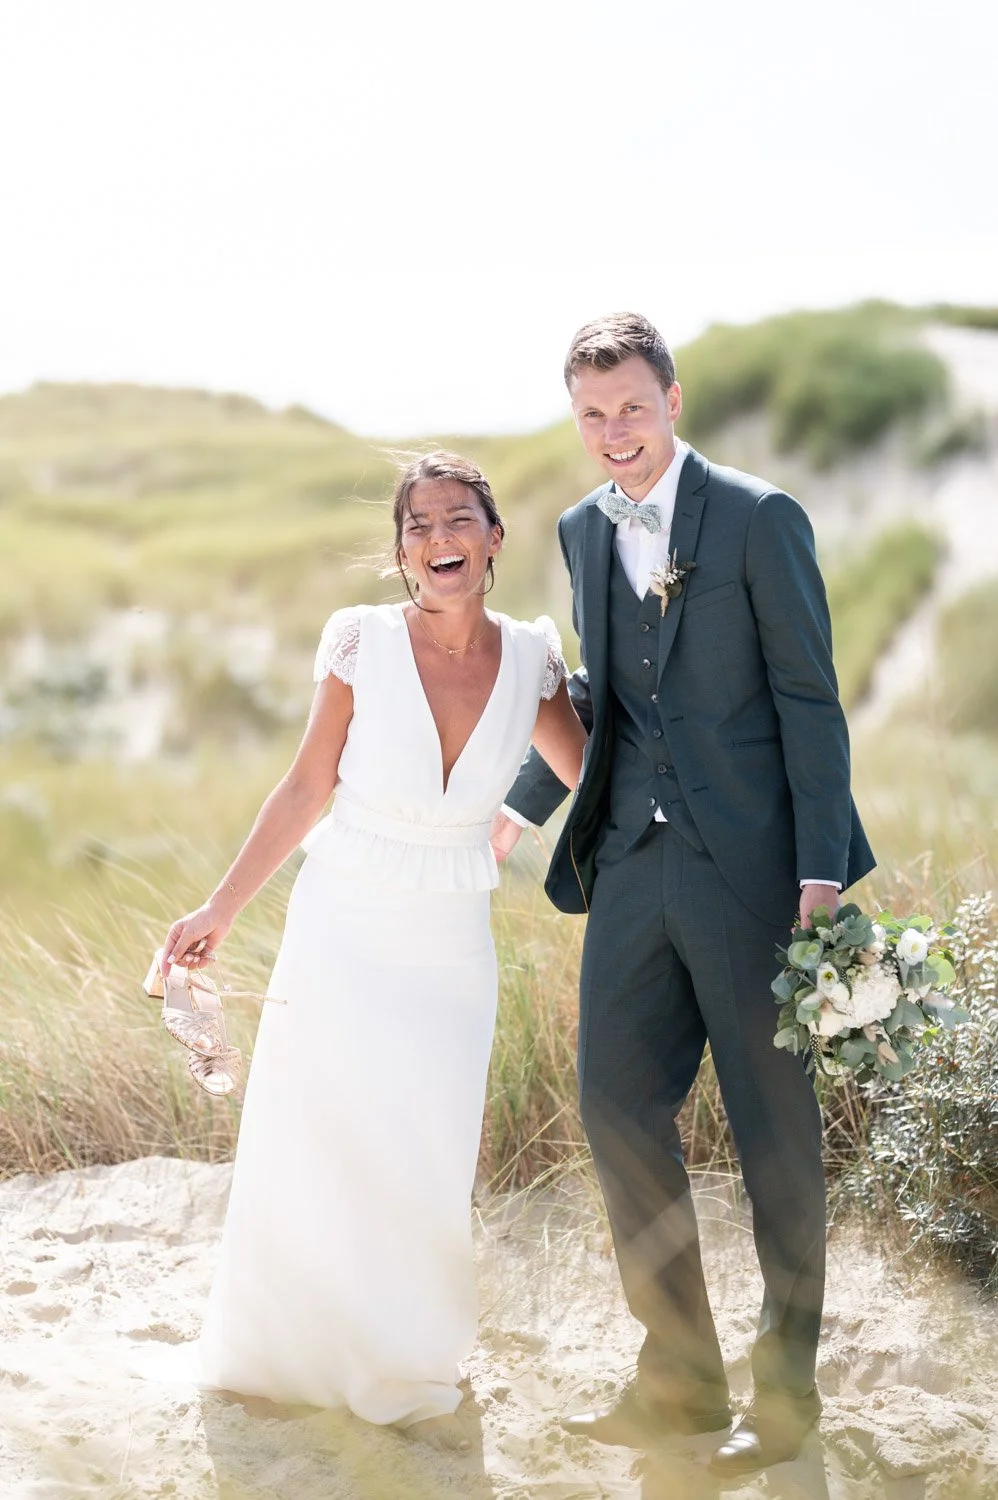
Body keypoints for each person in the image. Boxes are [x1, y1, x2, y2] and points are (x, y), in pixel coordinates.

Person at [491, 313, 875, 1478]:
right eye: (592, 414)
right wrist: (524, 801)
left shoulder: (758, 519)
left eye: (631, 407)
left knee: (773, 1136)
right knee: (612, 1102)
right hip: (630, 868)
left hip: (749, 870)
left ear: (672, 399)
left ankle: (785, 1393)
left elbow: (807, 697)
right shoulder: (576, 529)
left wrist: (818, 870)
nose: (614, 432)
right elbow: (607, 691)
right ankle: (680, 1379)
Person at [155, 450, 587, 1451]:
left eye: (457, 520)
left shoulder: (531, 655)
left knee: (424, 1148)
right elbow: (305, 787)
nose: (438, 540)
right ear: (401, 551)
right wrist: (219, 907)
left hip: (449, 943)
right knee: (317, 1133)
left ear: (491, 536)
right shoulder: (357, 641)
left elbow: (587, 774)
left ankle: (403, 1362)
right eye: (418, 526)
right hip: (342, 923)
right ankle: (282, 1359)